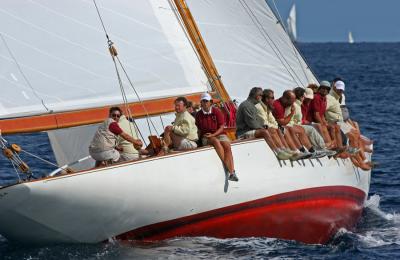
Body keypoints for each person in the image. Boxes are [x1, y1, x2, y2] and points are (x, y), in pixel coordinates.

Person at [236, 87, 292, 160]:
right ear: (257, 96)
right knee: (265, 132)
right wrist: (264, 128)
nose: (262, 98)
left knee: (273, 130)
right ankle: (278, 152)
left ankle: (284, 149)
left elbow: (256, 122)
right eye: (261, 96)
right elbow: (252, 124)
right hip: (243, 132)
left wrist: (265, 127)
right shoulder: (246, 105)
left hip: (250, 129)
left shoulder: (252, 105)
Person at [195, 93, 238, 181]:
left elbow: (222, 126)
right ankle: (229, 169)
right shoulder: (198, 114)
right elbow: (199, 129)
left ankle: (231, 171)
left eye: (207, 101)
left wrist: (213, 134)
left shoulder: (216, 111)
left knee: (227, 145)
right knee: (215, 141)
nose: (205, 103)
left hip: (219, 134)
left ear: (211, 102)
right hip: (206, 136)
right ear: (201, 103)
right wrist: (197, 141)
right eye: (203, 101)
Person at [255, 89, 305, 159]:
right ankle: (281, 151)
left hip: (269, 127)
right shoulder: (260, 107)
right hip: (258, 129)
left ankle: (292, 151)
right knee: (276, 130)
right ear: (266, 99)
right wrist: (292, 113)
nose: (274, 99)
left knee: (282, 129)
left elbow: (273, 121)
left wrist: (277, 127)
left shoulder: (267, 107)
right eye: (272, 98)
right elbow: (265, 123)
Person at [272, 90, 317, 159]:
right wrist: (292, 113)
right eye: (291, 102)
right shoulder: (278, 106)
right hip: (278, 125)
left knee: (300, 130)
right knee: (289, 129)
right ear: (285, 99)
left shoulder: (284, 104)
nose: (293, 103)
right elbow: (282, 122)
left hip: (281, 125)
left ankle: (309, 151)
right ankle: (298, 151)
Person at [293, 87, 335, 157]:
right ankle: (322, 146)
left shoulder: (304, 104)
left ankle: (321, 147)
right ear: (302, 97)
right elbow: (300, 119)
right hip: (298, 124)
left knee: (317, 126)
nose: (309, 100)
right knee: (313, 128)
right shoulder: (298, 105)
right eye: (306, 98)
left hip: (301, 123)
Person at [309, 81, 343, 151]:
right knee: (324, 127)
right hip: (311, 120)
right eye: (323, 88)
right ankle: (329, 146)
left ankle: (337, 146)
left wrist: (325, 122)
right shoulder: (316, 97)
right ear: (320, 88)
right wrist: (323, 124)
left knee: (334, 127)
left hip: (317, 120)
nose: (325, 90)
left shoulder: (324, 99)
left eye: (327, 89)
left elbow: (321, 115)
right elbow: (316, 114)